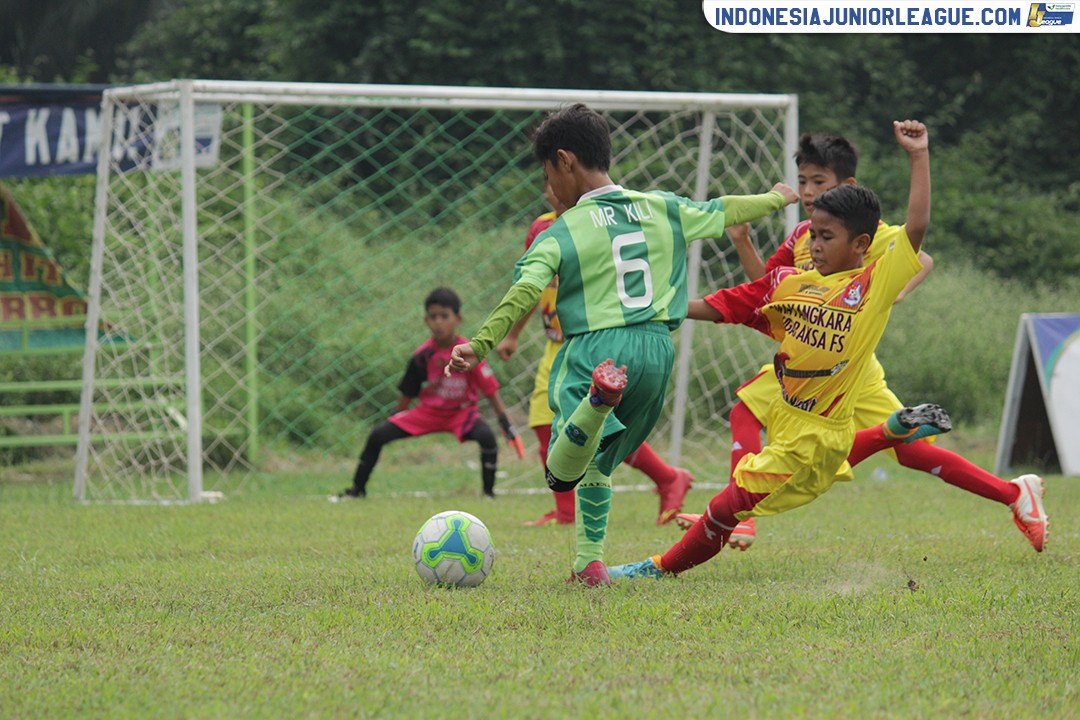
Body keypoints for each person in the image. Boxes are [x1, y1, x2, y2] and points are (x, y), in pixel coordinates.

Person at [608, 121, 980, 580]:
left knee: (729, 505)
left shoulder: (872, 285)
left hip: (818, 434)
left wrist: (918, 155)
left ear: (861, 245)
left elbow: (918, 227)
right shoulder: (792, 282)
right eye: (813, 235)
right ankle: (892, 428)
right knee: (760, 439)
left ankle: (657, 568)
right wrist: (655, 309)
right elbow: (727, 302)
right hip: (790, 416)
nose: (814, 245)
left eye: (826, 237)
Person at [446, 103, 797, 585]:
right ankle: (588, 563)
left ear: (564, 161)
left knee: (560, 471)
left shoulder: (562, 228)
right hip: (655, 352)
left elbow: (527, 288)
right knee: (599, 464)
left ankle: (596, 402)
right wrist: (775, 198)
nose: (551, 186)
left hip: (596, 349)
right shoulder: (661, 206)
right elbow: (723, 211)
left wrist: (481, 344)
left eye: (549, 172)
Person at [675, 129, 1048, 554]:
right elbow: (764, 289)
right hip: (808, 367)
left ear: (847, 188)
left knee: (909, 452)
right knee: (746, 408)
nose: (809, 191)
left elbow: (920, 254)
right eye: (803, 181)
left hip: (852, 371)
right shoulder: (805, 235)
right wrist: (741, 240)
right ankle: (741, 517)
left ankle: (1014, 494)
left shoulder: (867, 233)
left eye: (819, 181)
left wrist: (892, 293)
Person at [496, 180, 694, 527]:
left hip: (595, 341)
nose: (553, 189)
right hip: (556, 343)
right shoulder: (542, 229)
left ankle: (571, 511)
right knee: (554, 423)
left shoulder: (599, 224)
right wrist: (512, 334)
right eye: (547, 179)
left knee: (591, 425)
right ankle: (661, 478)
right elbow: (532, 284)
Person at [337, 287, 519, 500]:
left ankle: (488, 494)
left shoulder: (470, 351)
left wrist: (505, 422)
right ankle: (357, 491)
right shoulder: (422, 355)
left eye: (444, 316)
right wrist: (394, 420)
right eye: (433, 317)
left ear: (457, 318)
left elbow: (490, 390)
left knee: (487, 437)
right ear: (426, 320)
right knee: (378, 435)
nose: (439, 322)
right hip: (428, 413)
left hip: (461, 414)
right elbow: (408, 392)